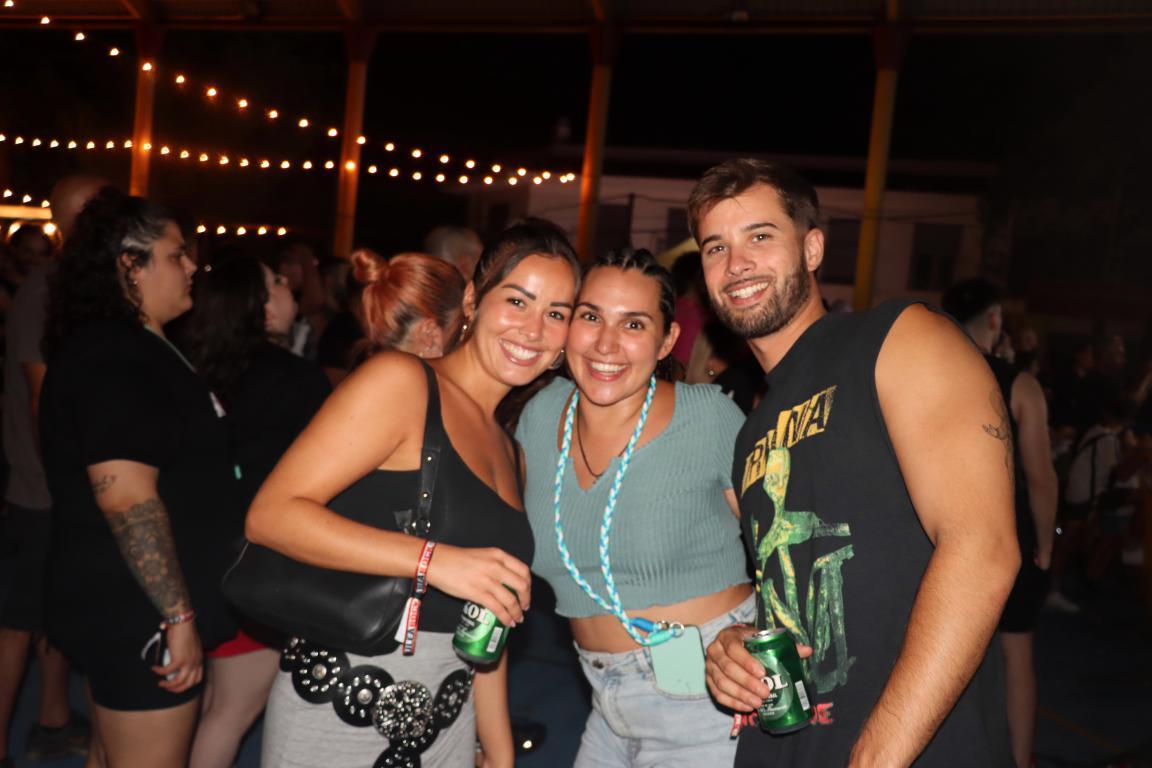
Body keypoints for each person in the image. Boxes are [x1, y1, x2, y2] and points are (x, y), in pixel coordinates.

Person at [694, 159, 1019, 767]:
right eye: (716, 247)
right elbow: (792, 590)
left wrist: (875, 757)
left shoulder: (900, 338)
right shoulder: (753, 432)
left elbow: (983, 550)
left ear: (812, 248)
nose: (736, 263)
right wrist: (736, 646)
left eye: (760, 236)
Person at [246, 220, 580, 768]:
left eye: (557, 313)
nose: (533, 329)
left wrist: (499, 752)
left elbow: (489, 616)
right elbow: (270, 515)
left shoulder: (511, 449)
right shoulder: (402, 382)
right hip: (343, 711)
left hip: (452, 722)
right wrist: (434, 560)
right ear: (472, 300)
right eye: (517, 301)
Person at [515, 247, 751, 766]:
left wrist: (760, 634)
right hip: (602, 700)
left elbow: (785, 550)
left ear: (667, 340)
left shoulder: (708, 419)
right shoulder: (540, 415)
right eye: (591, 317)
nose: (606, 343)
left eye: (634, 324)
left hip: (711, 695)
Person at [39, 187, 241, 767]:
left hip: (125, 602)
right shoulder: (116, 357)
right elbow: (126, 497)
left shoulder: (133, 347)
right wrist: (177, 616)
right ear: (131, 264)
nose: (192, 266)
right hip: (136, 608)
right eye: (176, 255)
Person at [177, 255, 332, 768]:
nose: (290, 290)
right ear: (259, 306)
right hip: (255, 563)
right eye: (277, 283)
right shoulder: (294, 380)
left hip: (196, 554)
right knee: (232, 712)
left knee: (207, 706)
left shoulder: (191, 368)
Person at [0, 175, 105, 768]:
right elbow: (43, 398)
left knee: (55, 615)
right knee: (19, 621)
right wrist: (65, 483)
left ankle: (52, 719)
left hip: (57, 482)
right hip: (42, 487)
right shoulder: (46, 292)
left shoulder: (73, 286)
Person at [942, 278, 1059, 768]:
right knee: (1015, 656)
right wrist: (1046, 545)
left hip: (941, 534)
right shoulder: (1019, 385)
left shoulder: (931, 375)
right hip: (1007, 537)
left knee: (941, 654)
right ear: (993, 319)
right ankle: (1019, 758)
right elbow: (1041, 478)